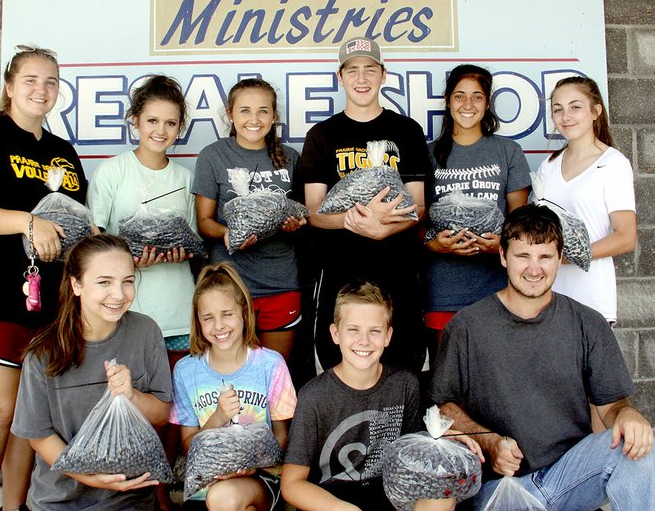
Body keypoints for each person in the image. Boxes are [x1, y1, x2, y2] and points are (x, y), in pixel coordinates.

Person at [429, 203, 655, 510]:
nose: (534, 269)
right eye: (523, 256)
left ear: (558, 258)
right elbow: (442, 408)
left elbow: (612, 407)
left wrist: (627, 414)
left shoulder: (587, 324)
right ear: (503, 256)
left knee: (640, 447)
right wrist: (490, 441)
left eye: (545, 257)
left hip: (569, 477)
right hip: (503, 489)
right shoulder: (467, 326)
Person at [0, 45, 88, 511]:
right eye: (31, 79)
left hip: (48, 303)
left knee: (30, 415)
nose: (41, 89)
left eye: (50, 82)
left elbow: (75, 224)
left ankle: (15, 507)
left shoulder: (63, 154)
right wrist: (29, 222)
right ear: (9, 86)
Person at [295, 37, 433, 378]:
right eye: (352, 70)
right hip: (340, 272)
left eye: (370, 69)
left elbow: (419, 205)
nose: (361, 78)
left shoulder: (406, 131)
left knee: (401, 363)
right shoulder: (322, 136)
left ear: (383, 75)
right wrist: (355, 223)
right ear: (339, 77)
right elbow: (313, 211)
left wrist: (384, 228)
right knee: (339, 363)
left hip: (397, 272)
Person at [281, 281, 483, 511]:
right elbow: (292, 484)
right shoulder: (314, 396)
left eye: (374, 331)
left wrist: (443, 442)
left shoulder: (405, 384)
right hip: (333, 501)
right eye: (353, 330)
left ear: (388, 336)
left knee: (441, 499)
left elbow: (414, 450)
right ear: (335, 334)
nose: (364, 341)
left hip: (393, 493)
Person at [12, 234, 173, 510]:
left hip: (130, 500)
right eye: (104, 282)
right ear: (76, 284)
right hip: (59, 502)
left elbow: (162, 414)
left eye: (128, 281)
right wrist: (90, 477)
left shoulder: (146, 332)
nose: (119, 294)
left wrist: (131, 395)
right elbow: (38, 435)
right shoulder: (43, 353)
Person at [423, 64, 531, 366]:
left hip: (496, 289)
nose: (467, 105)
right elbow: (415, 220)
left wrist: (501, 246)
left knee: (496, 383)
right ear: (447, 100)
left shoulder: (508, 151)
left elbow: (519, 221)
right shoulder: (428, 154)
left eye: (477, 97)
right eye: (459, 96)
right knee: (447, 385)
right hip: (443, 289)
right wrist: (434, 245)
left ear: (487, 102)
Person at [87, 74, 196, 363]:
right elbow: (93, 240)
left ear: (179, 128)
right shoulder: (111, 172)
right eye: (152, 121)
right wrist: (127, 260)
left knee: (176, 404)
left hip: (179, 313)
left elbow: (195, 243)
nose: (161, 130)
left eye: (170, 123)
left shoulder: (186, 179)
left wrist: (180, 252)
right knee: (130, 400)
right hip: (124, 311)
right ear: (135, 121)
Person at [193, 78, 306, 360]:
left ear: (274, 116)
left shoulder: (290, 157)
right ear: (230, 114)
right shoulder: (213, 156)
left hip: (280, 283)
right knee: (232, 373)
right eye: (244, 111)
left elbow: (304, 213)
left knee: (275, 373)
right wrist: (227, 234)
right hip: (230, 283)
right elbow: (204, 222)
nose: (254, 119)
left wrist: (295, 225)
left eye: (263, 111)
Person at [171, 262, 297, 510]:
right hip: (205, 485)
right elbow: (188, 446)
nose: (218, 326)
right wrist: (218, 416)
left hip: (260, 478)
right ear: (197, 321)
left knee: (225, 497)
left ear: (244, 312)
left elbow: (281, 435)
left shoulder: (270, 364)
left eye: (227, 314)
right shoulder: (186, 371)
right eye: (208, 318)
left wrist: (247, 466)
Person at [535, 76, 636, 324]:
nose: (566, 116)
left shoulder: (613, 164)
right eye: (558, 110)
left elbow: (625, 237)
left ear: (595, 111)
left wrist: (566, 256)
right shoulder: (548, 166)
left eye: (575, 106)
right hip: (546, 297)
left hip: (591, 300)